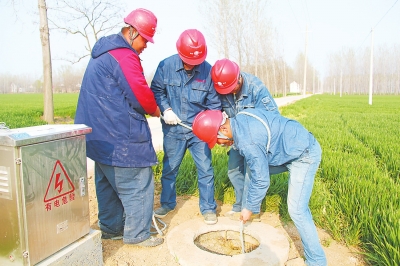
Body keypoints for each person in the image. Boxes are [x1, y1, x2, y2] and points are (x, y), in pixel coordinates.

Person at [74, 8, 163, 247]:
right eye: (145, 39)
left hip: (98, 137)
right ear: (132, 32)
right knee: (139, 182)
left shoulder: (103, 52)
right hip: (118, 136)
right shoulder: (124, 56)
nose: (146, 45)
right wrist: (156, 110)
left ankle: (112, 229)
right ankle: (138, 235)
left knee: (107, 184)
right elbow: (140, 94)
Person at [192, 109, 327, 265]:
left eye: (217, 141)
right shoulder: (240, 119)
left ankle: (317, 261)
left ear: (223, 129)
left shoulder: (248, 141)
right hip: (285, 148)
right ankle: (250, 209)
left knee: (297, 209)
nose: (220, 145)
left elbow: (262, 179)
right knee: (254, 167)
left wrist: (249, 206)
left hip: (304, 154)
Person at [150, 29, 222, 225]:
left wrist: (207, 126)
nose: (192, 64)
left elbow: (214, 105)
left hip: (198, 132)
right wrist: (166, 109)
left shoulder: (208, 71)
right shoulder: (165, 66)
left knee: (206, 169)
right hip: (173, 129)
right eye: (188, 60)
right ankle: (167, 203)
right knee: (170, 168)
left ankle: (208, 208)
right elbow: (156, 90)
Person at [210, 58, 280, 221]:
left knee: (251, 171)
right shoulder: (221, 88)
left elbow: (273, 117)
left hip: (255, 139)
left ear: (238, 77)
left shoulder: (256, 88)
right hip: (236, 137)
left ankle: (250, 208)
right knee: (233, 170)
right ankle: (240, 204)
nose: (229, 92)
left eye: (231, 87)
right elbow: (216, 113)